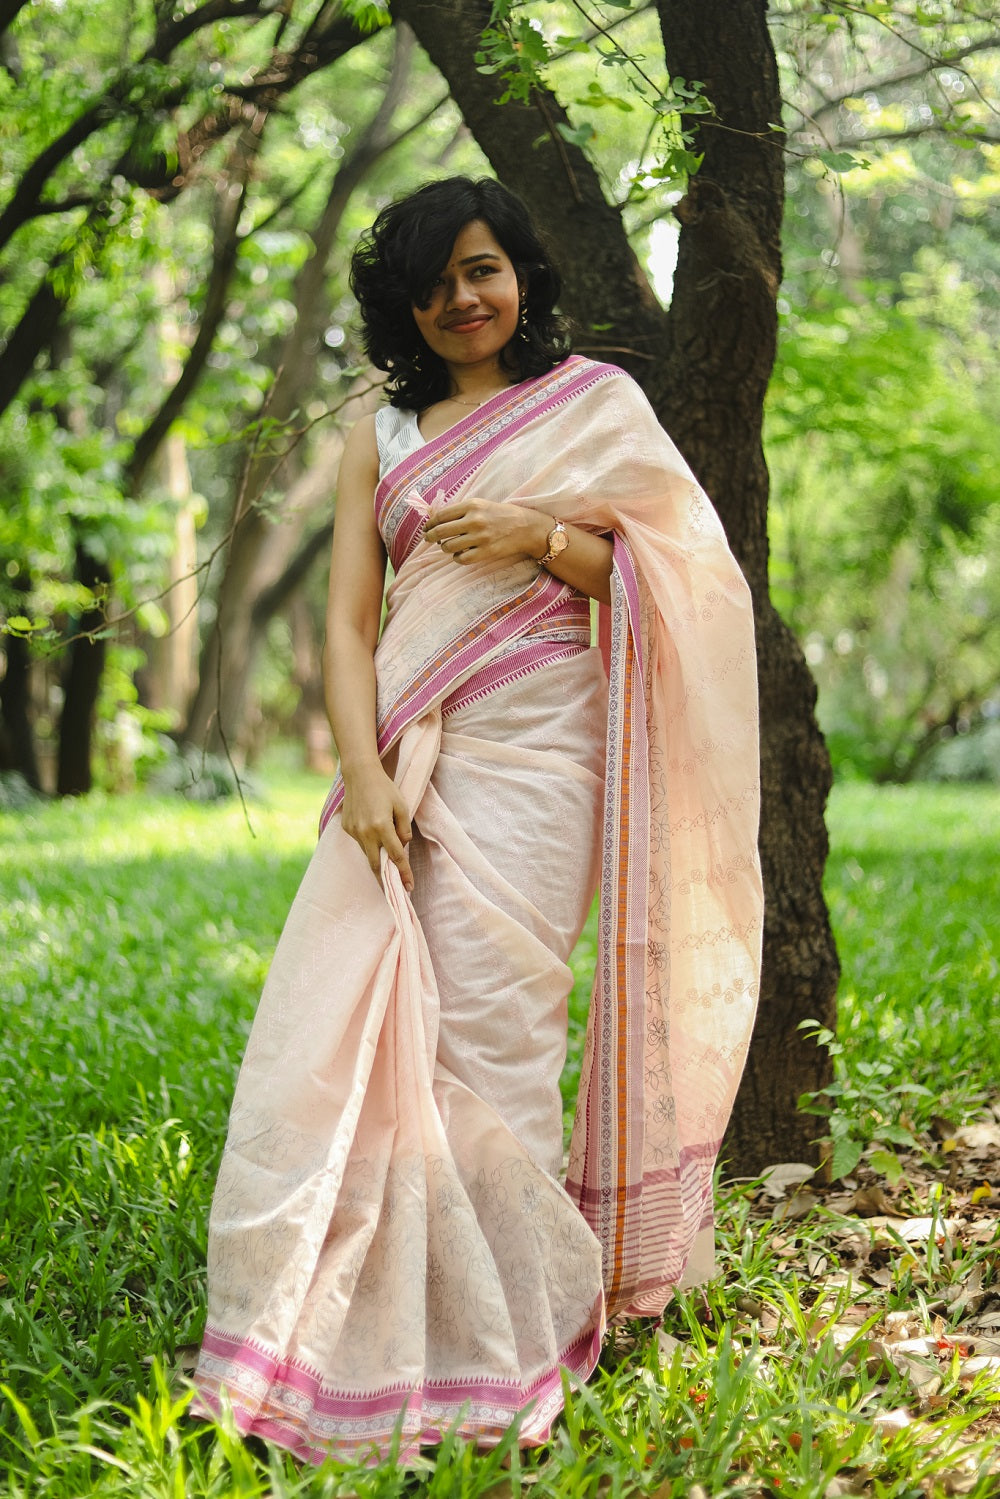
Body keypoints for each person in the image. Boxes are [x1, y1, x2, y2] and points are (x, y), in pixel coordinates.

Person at [192, 176, 763, 1466]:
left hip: (545, 765)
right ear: (402, 299)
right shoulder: (378, 431)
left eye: (485, 270)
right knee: (365, 1035)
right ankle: (376, 1316)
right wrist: (366, 769)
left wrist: (546, 533)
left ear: (525, 282)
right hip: (404, 762)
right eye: (436, 278)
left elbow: (683, 581)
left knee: (499, 1036)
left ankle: (507, 1326)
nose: (463, 298)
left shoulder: (595, 409)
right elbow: (348, 622)